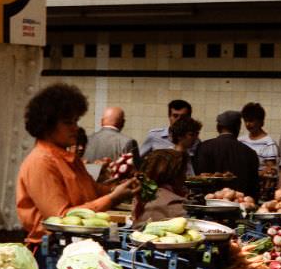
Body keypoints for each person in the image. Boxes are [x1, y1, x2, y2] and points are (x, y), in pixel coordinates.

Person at [16, 83, 140, 245]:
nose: (76, 128)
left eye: (76, 121)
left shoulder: (70, 160)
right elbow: (61, 219)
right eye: (68, 123)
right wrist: (112, 198)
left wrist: (120, 188)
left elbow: (93, 191)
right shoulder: (40, 162)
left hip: (78, 244)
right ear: (47, 124)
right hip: (53, 248)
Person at [194, 110, 260, 199]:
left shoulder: (203, 147)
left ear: (218, 127)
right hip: (239, 205)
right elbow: (254, 188)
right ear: (238, 127)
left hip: (208, 203)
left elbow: (198, 178)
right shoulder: (250, 153)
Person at [132, 149, 189, 226]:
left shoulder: (142, 194)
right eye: (184, 172)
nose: (185, 177)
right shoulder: (172, 202)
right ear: (175, 175)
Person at [239, 102, 279, 168]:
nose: (247, 124)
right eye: (245, 121)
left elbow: (271, 170)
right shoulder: (241, 141)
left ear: (260, 121)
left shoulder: (269, 143)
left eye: (251, 121)